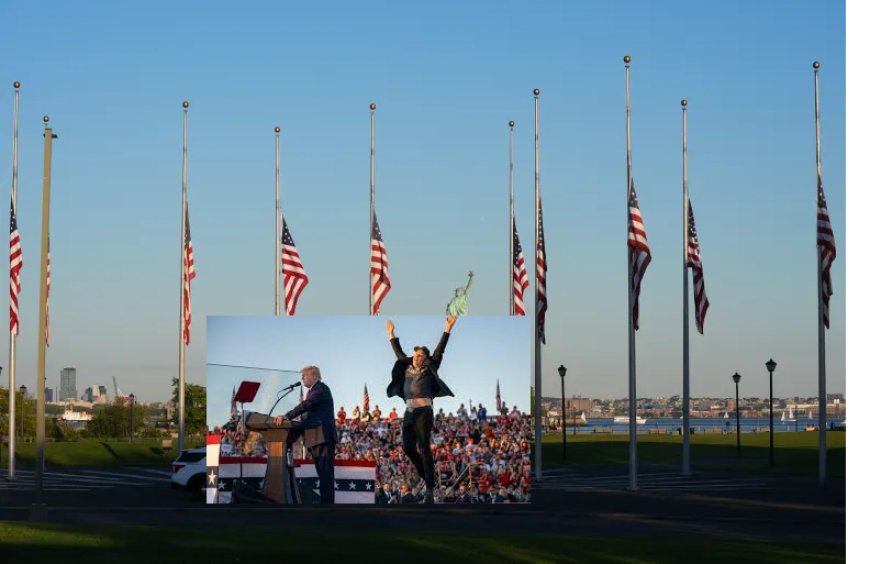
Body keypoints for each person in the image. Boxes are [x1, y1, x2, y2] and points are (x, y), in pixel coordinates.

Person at [386, 315, 457, 503]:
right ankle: (427, 477)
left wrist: (447, 328)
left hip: (424, 412)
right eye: (416, 355)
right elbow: (399, 353)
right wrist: (391, 334)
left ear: (425, 359)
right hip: (409, 413)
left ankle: (430, 489)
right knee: (408, 448)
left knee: (424, 448)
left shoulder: (430, 367)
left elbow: (440, 350)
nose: (418, 358)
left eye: (421, 356)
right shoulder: (406, 366)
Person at [274, 366, 338, 504]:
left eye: (304, 375)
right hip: (316, 438)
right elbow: (310, 414)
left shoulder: (320, 388)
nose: (302, 378)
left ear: (314, 375)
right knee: (323, 476)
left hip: (322, 439)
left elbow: (306, 405)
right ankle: (327, 507)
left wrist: (287, 416)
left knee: (326, 477)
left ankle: (328, 510)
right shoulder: (314, 390)